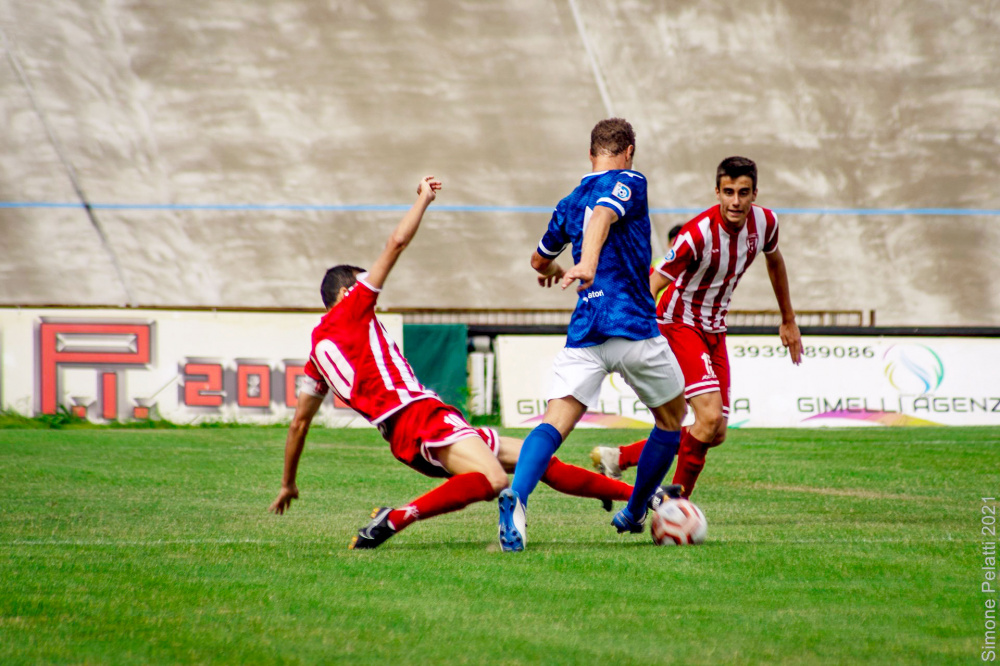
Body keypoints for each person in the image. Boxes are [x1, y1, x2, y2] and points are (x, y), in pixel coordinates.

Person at [268, 176, 637, 549]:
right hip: (419, 415)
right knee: (495, 482)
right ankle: (395, 519)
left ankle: (641, 497)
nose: (371, 288)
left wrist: (288, 483)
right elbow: (396, 243)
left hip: (401, 437)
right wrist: (424, 201)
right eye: (362, 282)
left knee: (534, 459)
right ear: (347, 292)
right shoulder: (353, 307)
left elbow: (299, 424)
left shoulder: (316, 355)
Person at [497, 118, 688, 553]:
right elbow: (604, 213)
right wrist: (584, 265)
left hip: (586, 332)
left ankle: (519, 500)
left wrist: (560, 269)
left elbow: (538, 260)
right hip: (633, 326)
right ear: (629, 151)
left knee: (553, 424)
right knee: (672, 421)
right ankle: (637, 509)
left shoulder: (568, 201)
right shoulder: (631, 181)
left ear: (590, 154)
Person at [590, 156, 803, 498]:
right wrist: (630, 329)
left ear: (755, 193)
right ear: (717, 191)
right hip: (679, 324)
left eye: (744, 192)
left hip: (715, 330)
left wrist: (788, 319)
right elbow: (654, 282)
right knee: (707, 418)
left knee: (715, 430)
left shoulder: (766, 223)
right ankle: (674, 504)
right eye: (729, 192)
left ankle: (620, 457)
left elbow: (775, 260)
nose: (736, 201)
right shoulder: (697, 233)